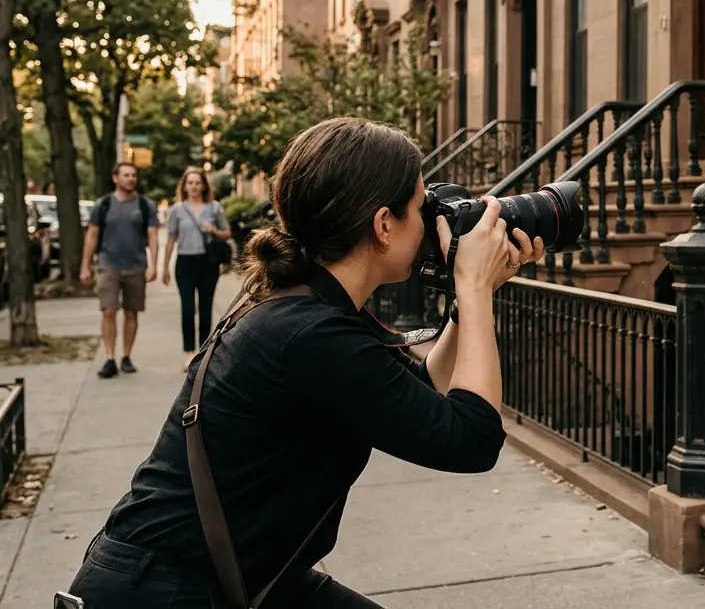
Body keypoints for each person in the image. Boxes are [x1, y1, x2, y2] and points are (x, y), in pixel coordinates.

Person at [67, 117, 544, 607]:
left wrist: (469, 303)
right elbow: (472, 441)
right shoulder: (309, 334)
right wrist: (474, 288)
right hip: (166, 591)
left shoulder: (313, 308)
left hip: (235, 576)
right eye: (423, 207)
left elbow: (423, 391)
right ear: (383, 225)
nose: (434, 222)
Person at [80, 162, 160, 379]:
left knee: (131, 312)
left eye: (133, 175)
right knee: (108, 310)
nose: (131, 179)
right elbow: (92, 235)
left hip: (136, 266)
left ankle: (126, 356)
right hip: (108, 265)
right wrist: (85, 265)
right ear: (116, 178)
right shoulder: (103, 205)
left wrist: (154, 265)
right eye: (126, 175)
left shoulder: (145, 205)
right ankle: (109, 358)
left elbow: (152, 236)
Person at [162, 167, 232, 372]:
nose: (193, 186)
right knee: (187, 308)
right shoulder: (177, 210)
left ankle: (204, 352)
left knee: (205, 308)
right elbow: (171, 239)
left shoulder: (214, 208)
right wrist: (164, 267)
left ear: (203, 185)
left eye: (197, 182)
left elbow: (227, 233)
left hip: (207, 263)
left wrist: (214, 230)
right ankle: (189, 353)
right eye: (189, 183)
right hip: (184, 263)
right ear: (184, 186)